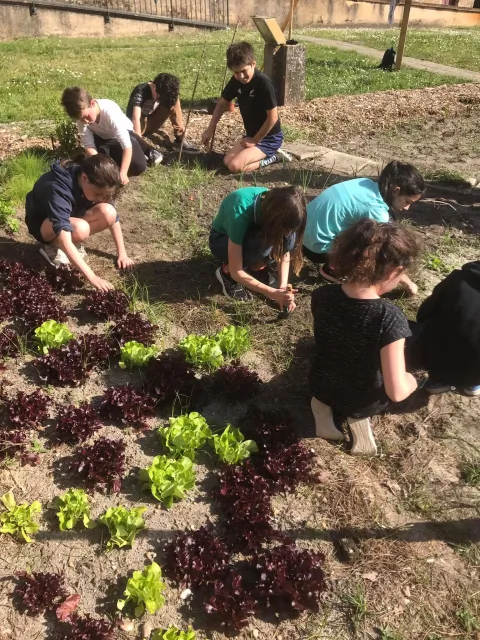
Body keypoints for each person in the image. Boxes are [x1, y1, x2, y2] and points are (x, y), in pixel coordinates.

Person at [310, 218, 422, 455]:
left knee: (328, 386)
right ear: (395, 271)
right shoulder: (389, 317)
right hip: (362, 400)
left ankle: (321, 408)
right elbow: (396, 392)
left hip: (320, 383)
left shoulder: (321, 295)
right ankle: (357, 418)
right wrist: (412, 379)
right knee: (381, 388)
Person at [303, 160, 425, 295]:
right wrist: (406, 280)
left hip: (299, 234)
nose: (407, 208)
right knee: (376, 245)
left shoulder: (365, 182)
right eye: (407, 201)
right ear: (396, 191)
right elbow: (390, 250)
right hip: (315, 249)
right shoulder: (375, 210)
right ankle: (333, 269)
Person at [25, 155, 134, 292]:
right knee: (80, 229)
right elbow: (64, 236)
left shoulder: (93, 181)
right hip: (43, 225)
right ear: (84, 178)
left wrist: (122, 254)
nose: (101, 198)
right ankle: (51, 247)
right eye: (98, 194)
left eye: (106, 195)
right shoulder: (58, 188)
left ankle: (71, 245)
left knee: (109, 212)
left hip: (70, 216)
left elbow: (114, 218)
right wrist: (93, 277)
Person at [209, 185, 306, 309]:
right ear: (273, 220)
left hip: (254, 236)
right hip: (221, 239)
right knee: (262, 249)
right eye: (283, 230)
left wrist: (282, 289)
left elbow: (284, 251)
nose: (286, 234)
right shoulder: (239, 212)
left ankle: (254, 266)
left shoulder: (280, 205)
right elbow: (236, 272)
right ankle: (225, 274)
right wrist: (272, 293)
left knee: (290, 238)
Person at [201, 41, 291, 174]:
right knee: (227, 161)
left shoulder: (264, 83)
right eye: (236, 72)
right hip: (251, 134)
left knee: (235, 166)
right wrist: (210, 129)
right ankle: (257, 152)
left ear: (253, 64)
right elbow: (222, 103)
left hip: (269, 138)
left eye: (243, 71)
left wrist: (255, 140)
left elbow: (273, 118)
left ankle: (274, 157)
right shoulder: (236, 80)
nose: (241, 76)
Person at [61, 86, 161, 186]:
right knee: (99, 166)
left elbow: (126, 145)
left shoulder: (110, 112)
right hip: (102, 139)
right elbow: (89, 146)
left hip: (123, 136)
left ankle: (146, 150)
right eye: (82, 119)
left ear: (92, 103)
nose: (86, 121)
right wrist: (100, 165)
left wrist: (123, 173)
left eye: (87, 116)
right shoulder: (82, 119)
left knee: (139, 166)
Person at [408, 261, 480, 397]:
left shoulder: (459, 278)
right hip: (476, 371)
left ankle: (438, 381)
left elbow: (425, 312)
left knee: (406, 329)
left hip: (438, 358)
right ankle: (472, 384)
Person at [126, 73, 198, 154]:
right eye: (160, 97)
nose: (161, 100)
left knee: (174, 98)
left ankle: (180, 139)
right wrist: (141, 145)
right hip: (137, 126)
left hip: (151, 120)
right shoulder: (140, 91)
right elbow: (135, 119)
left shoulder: (161, 92)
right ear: (154, 87)